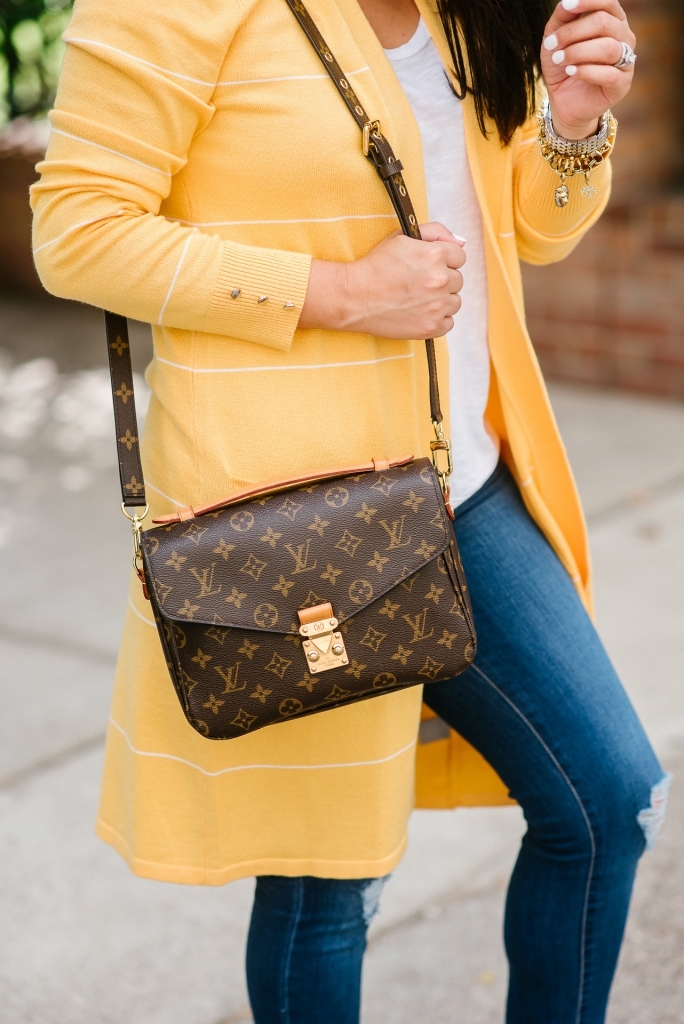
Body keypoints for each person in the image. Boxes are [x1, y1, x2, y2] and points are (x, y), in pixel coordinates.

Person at [32, 0, 668, 1020]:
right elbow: (78, 233)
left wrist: (577, 123)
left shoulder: (465, 14)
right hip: (306, 513)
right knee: (328, 884)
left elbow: (533, 230)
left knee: (609, 799)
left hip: (466, 487)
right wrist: (339, 292)